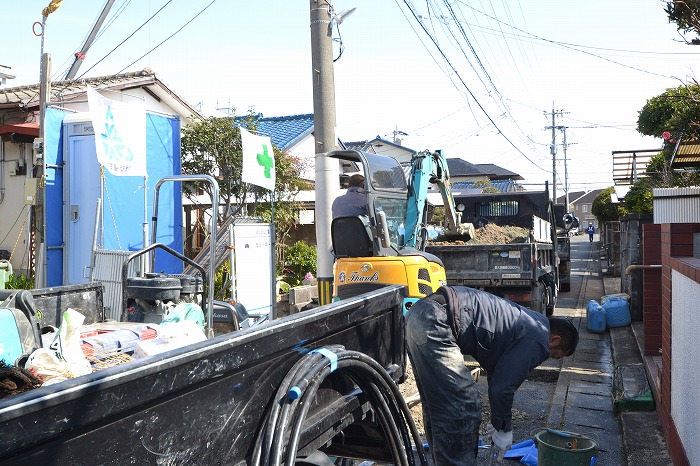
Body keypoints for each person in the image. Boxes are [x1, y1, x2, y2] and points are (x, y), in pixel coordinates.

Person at [405, 286, 579, 466]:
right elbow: (502, 388)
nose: (546, 357)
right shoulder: (538, 337)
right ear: (555, 340)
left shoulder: (528, 322)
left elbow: (499, 374)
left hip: (419, 314)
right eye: (554, 354)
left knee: (439, 407)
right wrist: (504, 429)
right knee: (464, 405)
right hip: (436, 321)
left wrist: (499, 421)